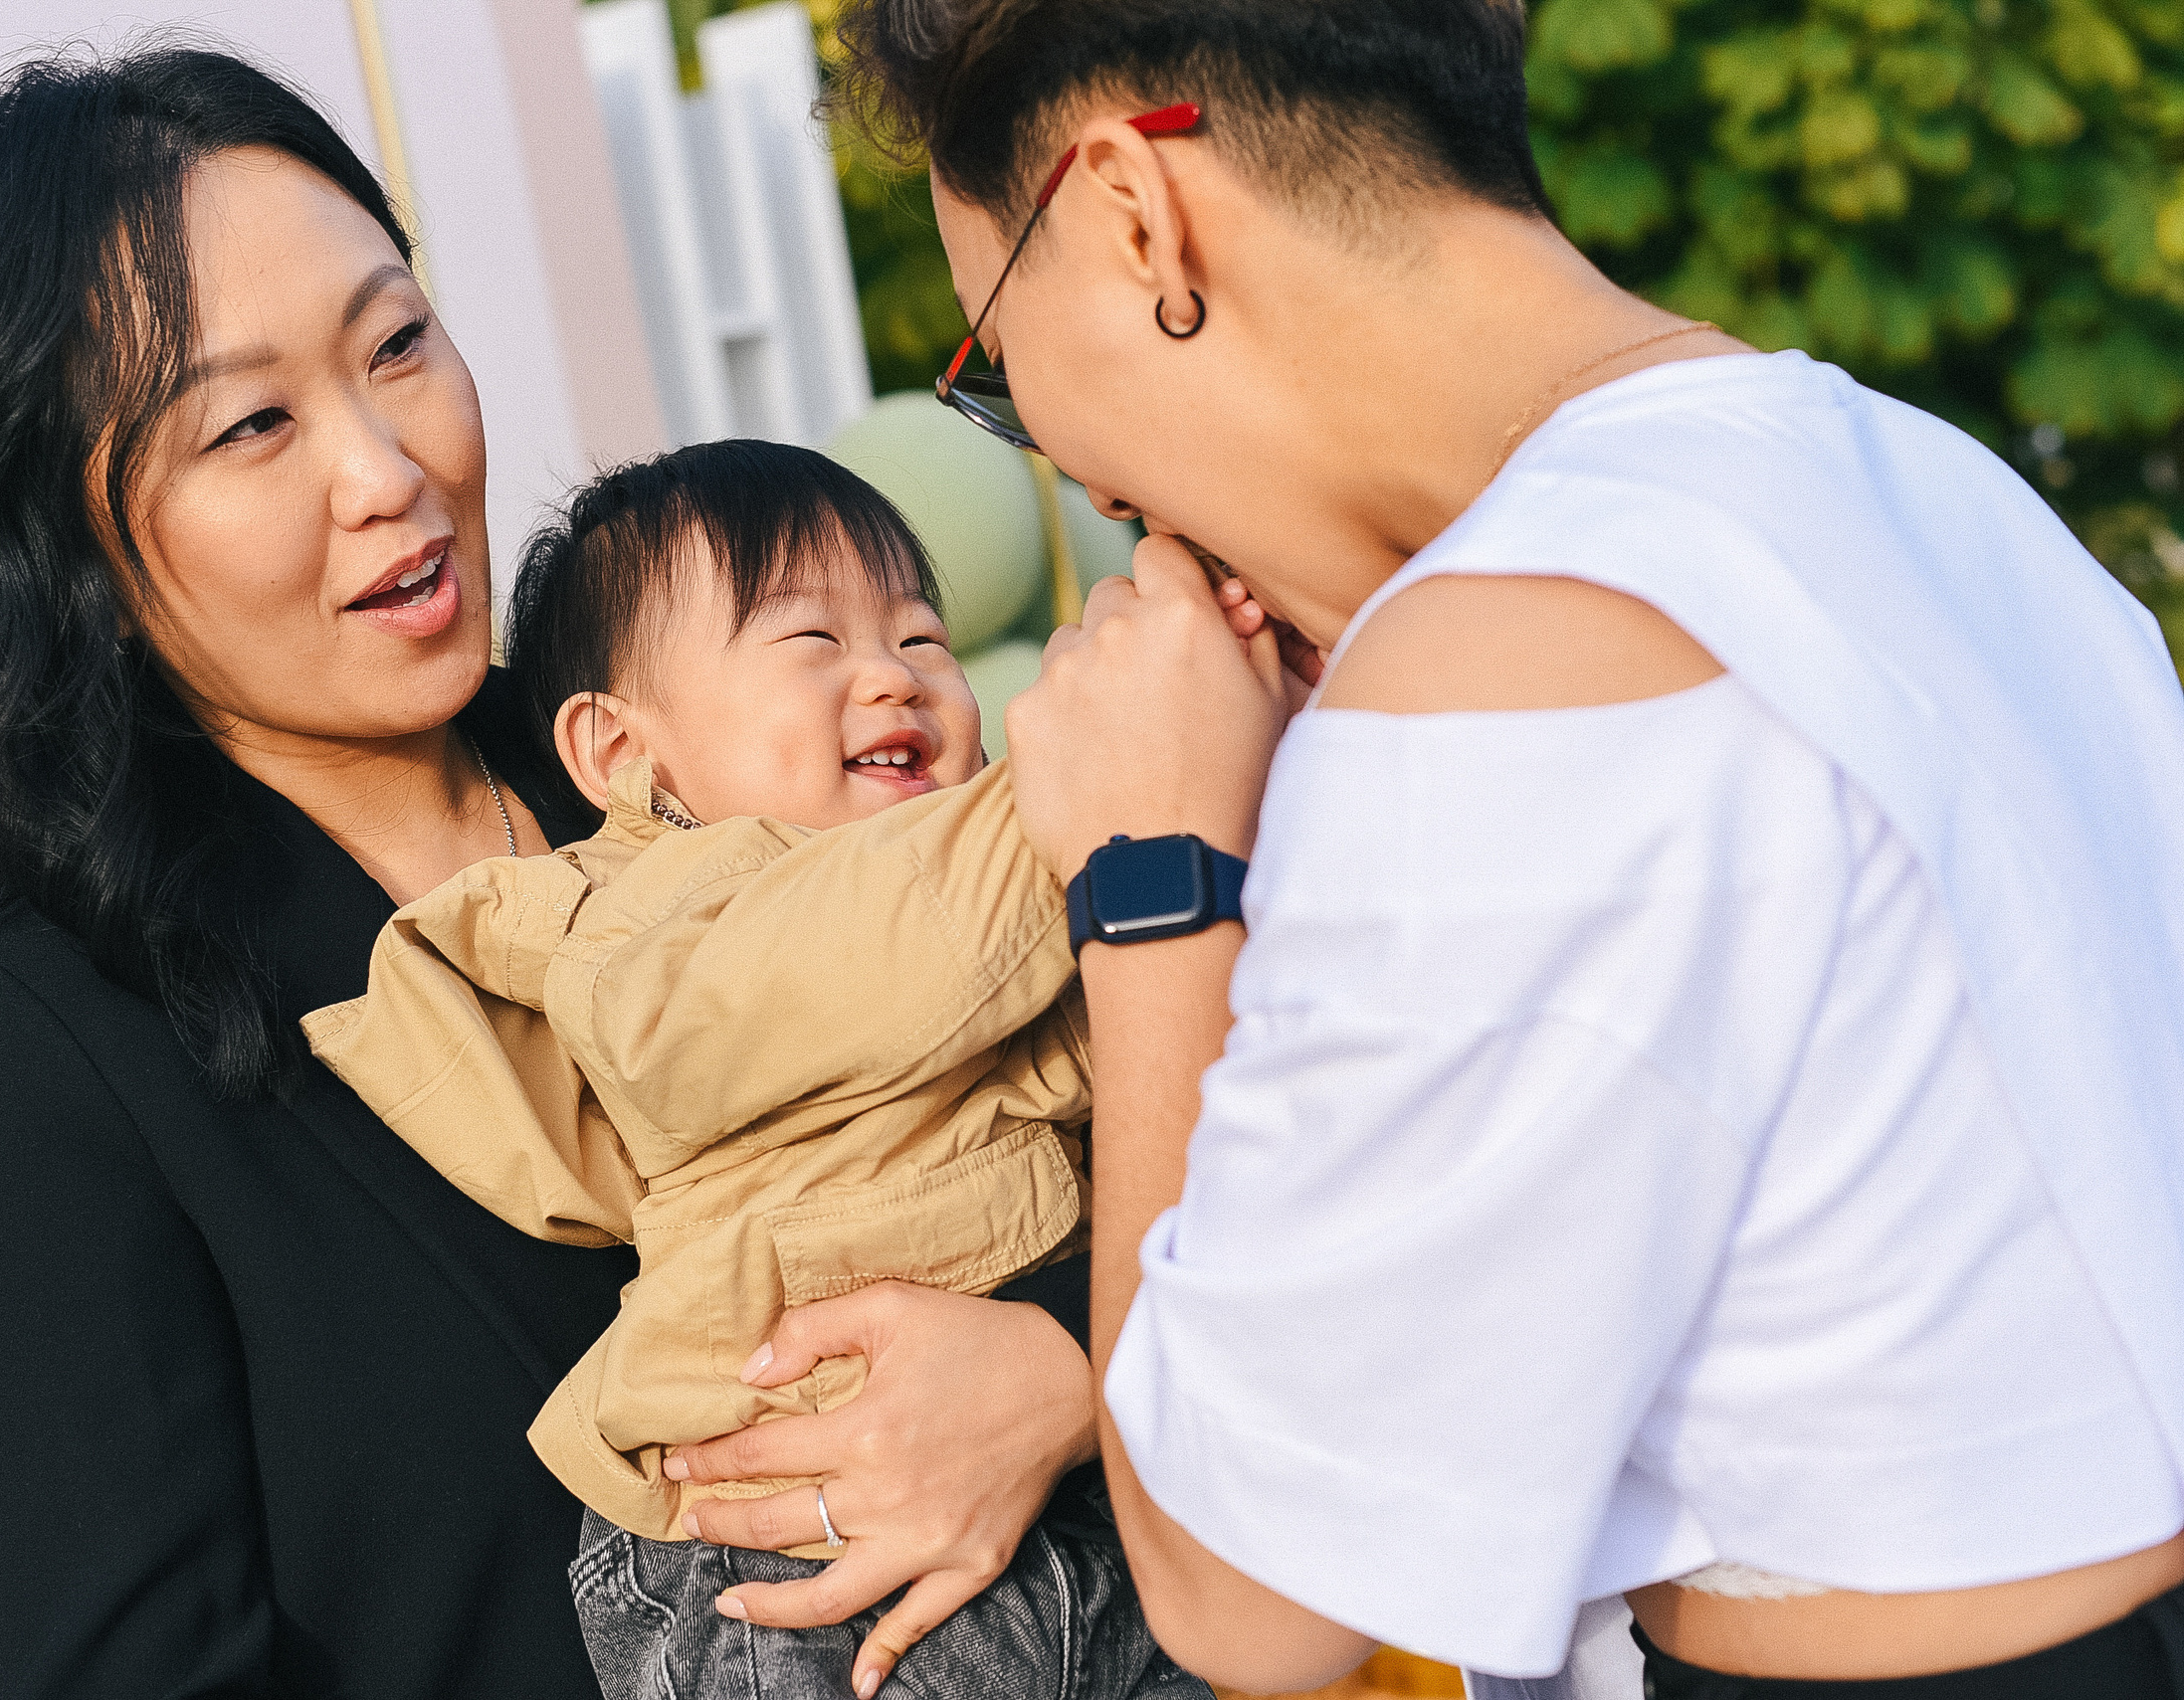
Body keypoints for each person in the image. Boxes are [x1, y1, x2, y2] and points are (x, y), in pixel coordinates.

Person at [806, 0, 2184, 1696]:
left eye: (1001, 368)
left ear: (1132, 214)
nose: (1089, 481)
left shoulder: (1514, 659)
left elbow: (1251, 1595)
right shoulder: (1926, 483)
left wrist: (1153, 877)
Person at [0, 49, 1099, 1699]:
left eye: (398, 342)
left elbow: (1111, 1096)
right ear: (72, 548)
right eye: (252, 423)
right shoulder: (60, 1041)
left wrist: (1065, 1367)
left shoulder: (704, 746)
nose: (387, 467)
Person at [308, 438, 1199, 1700]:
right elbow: (864, 963)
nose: (894, 676)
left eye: (922, 638)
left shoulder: (1003, 909)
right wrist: (1086, 777)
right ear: (626, 758)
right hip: (778, 1560)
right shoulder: (641, 924)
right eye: (813, 644)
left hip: (1065, 1523)